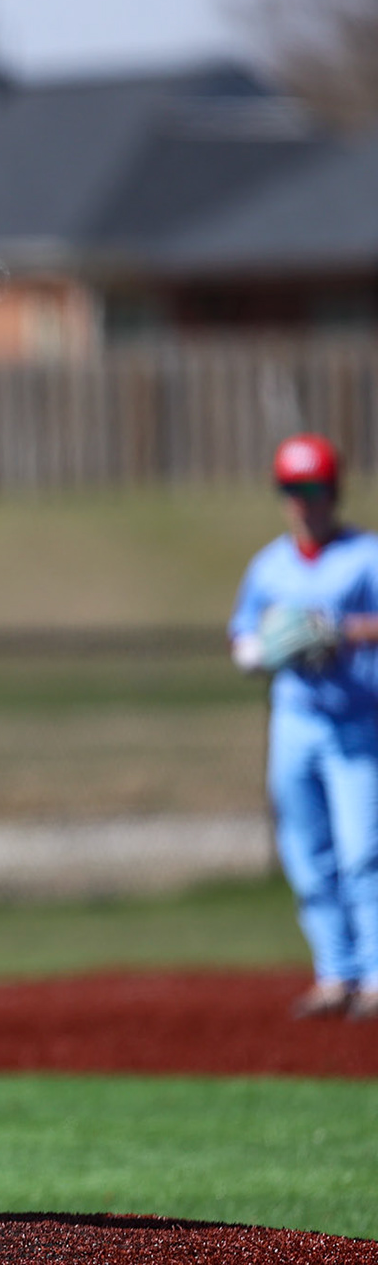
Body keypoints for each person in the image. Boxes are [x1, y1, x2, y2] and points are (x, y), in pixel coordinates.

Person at [230, 433, 378, 1021]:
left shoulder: (366, 557)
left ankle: (373, 973)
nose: (303, 502)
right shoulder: (270, 566)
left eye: (313, 488)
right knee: (306, 849)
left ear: (334, 490)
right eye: (292, 490)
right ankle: (335, 972)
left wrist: (342, 631)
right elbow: (244, 636)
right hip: (295, 720)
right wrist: (264, 651)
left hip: (356, 718)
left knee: (364, 849)